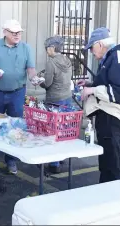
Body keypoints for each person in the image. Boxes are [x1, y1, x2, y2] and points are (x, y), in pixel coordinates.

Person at [78, 27, 120, 183]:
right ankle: (108, 187)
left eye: (91, 47)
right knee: (107, 156)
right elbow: (111, 83)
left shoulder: (117, 57)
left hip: (112, 114)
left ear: (99, 44)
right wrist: (91, 85)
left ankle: (114, 189)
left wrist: (92, 89)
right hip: (108, 113)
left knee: (111, 157)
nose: (91, 52)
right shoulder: (114, 56)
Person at [0, 19, 38, 174]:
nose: (17, 35)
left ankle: (11, 160)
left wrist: (33, 77)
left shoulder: (26, 48)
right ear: (5, 32)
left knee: (15, 126)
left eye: (19, 32)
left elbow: (31, 68)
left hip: (17, 93)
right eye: (13, 32)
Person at [39, 35, 73, 173]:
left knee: (53, 130)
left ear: (52, 48)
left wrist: (39, 81)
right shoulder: (67, 60)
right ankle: (62, 156)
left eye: (47, 48)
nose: (46, 51)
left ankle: (54, 164)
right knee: (63, 129)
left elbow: (48, 84)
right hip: (67, 97)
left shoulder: (51, 62)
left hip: (54, 99)